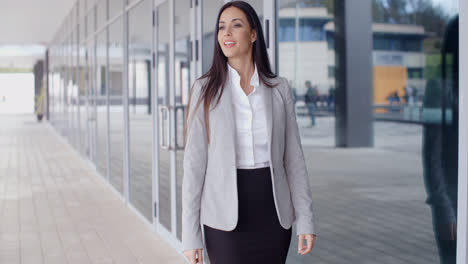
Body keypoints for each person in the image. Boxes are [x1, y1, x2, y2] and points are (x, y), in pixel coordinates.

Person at [181, 1, 317, 264]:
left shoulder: (279, 89)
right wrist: (190, 235)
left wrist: (306, 220)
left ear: (253, 34)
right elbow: (194, 165)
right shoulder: (204, 89)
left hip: (273, 214)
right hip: (223, 218)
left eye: (236, 25)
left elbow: (294, 160)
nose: (226, 34)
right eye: (222, 27)